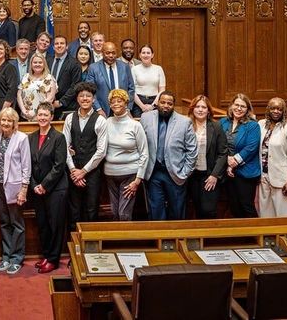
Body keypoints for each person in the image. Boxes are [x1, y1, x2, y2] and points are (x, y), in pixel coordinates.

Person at [141, 91, 197, 220]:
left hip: (175, 173)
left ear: (173, 105)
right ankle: (160, 239)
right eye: (163, 102)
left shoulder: (184, 122)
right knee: (156, 211)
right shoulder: (146, 118)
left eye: (169, 103)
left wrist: (184, 173)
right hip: (153, 172)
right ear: (157, 103)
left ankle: (176, 239)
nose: (166, 105)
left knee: (177, 211)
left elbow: (192, 151)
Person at [0, 107, 30, 275]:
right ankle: (6, 256)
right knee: (5, 222)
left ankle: (17, 258)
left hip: (14, 187)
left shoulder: (22, 138)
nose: (5, 123)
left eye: (9, 121)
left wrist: (24, 189)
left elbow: (26, 166)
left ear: (15, 123)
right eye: (3, 120)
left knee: (17, 224)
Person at [28, 103, 68, 274]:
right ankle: (46, 255)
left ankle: (53, 259)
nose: (42, 117)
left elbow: (59, 166)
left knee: (55, 225)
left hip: (55, 189)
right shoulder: (30, 137)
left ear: (52, 117)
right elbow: (26, 164)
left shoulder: (59, 137)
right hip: (36, 189)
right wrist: (34, 185)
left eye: (46, 115)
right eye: (40, 114)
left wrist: (44, 185)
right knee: (42, 224)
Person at [64, 82, 107, 227]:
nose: (85, 99)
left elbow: (101, 151)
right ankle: (74, 246)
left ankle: (90, 247)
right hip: (73, 171)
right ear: (77, 99)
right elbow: (65, 146)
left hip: (92, 172)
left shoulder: (100, 120)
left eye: (88, 96)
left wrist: (83, 171)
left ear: (93, 99)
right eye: (81, 96)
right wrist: (73, 171)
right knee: (73, 210)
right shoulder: (69, 118)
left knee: (91, 210)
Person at [103, 89, 149, 221]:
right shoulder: (107, 123)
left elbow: (144, 153)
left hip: (130, 175)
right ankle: (115, 241)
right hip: (110, 174)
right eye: (113, 102)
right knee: (113, 212)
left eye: (120, 101)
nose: (116, 104)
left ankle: (125, 241)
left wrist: (138, 179)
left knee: (124, 214)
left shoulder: (135, 125)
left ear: (126, 103)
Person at [186, 95, 228, 219]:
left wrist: (214, 175)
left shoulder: (216, 127)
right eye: (197, 106)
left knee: (208, 209)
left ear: (208, 110)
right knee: (195, 207)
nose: (200, 110)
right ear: (192, 109)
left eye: (203, 107)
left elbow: (223, 153)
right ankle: (199, 237)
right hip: (191, 175)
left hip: (209, 174)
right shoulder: (186, 125)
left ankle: (210, 237)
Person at [257, 97, 287, 218]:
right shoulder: (261, 125)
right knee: (264, 213)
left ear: (284, 111)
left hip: (282, 178)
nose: (276, 111)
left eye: (279, 109)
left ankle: (282, 236)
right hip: (263, 176)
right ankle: (267, 236)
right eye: (273, 108)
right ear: (268, 109)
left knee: (283, 215)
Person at [221, 93, 261, 218]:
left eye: (243, 106)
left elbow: (250, 148)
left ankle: (257, 235)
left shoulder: (253, 125)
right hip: (228, 172)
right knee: (234, 205)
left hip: (246, 172)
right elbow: (219, 144)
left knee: (246, 205)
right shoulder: (223, 122)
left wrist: (233, 163)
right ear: (231, 106)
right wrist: (227, 160)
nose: (239, 108)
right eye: (236, 105)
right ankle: (243, 236)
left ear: (247, 109)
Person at [87, 41, 135, 117]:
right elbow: (90, 91)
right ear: (102, 53)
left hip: (122, 110)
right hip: (102, 111)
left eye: (113, 53)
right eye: (108, 53)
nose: (111, 55)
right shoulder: (93, 68)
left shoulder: (125, 67)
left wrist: (128, 108)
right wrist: (98, 109)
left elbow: (131, 88)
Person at [17, 52, 57, 121]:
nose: (37, 64)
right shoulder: (25, 77)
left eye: (40, 62)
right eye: (35, 62)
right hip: (25, 116)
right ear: (31, 64)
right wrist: (23, 111)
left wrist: (35, 112)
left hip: (41, 117)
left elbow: (50, 99)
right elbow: (19, 95)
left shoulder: (50, 78)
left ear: (44, 64)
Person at [48, 35, 82, 118]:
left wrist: (60, 102)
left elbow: (75, 86)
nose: (59, 45)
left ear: (67, 46)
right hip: (48, 106)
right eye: (56, 44)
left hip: (66, 106)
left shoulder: (74, 63)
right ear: (53, 47)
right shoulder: (47, 61)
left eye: (62, 43)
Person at [131, 45, 166, 118]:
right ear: (140, 55)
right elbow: (132, 90)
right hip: (138, 103)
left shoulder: (158, 69)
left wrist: (153, 105)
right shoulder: (134, 69)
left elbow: (162, 89)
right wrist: (142, 106)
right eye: (143, 53)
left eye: (148, 53)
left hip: (155, 101)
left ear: (152, 55)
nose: (146, 55)